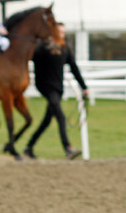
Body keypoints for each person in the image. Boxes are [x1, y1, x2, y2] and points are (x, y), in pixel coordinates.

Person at [24, 23, 87, 160]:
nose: (61, 35)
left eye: (63, 33)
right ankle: (68, 148)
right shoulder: (42, 48)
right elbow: (29, 56)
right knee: (60, 117)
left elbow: (74, 68)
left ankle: (29, 146)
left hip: (58, 90)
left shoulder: (65, 48)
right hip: (46, 88)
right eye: (59, 32)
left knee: (46, 121)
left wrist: (84, 87)